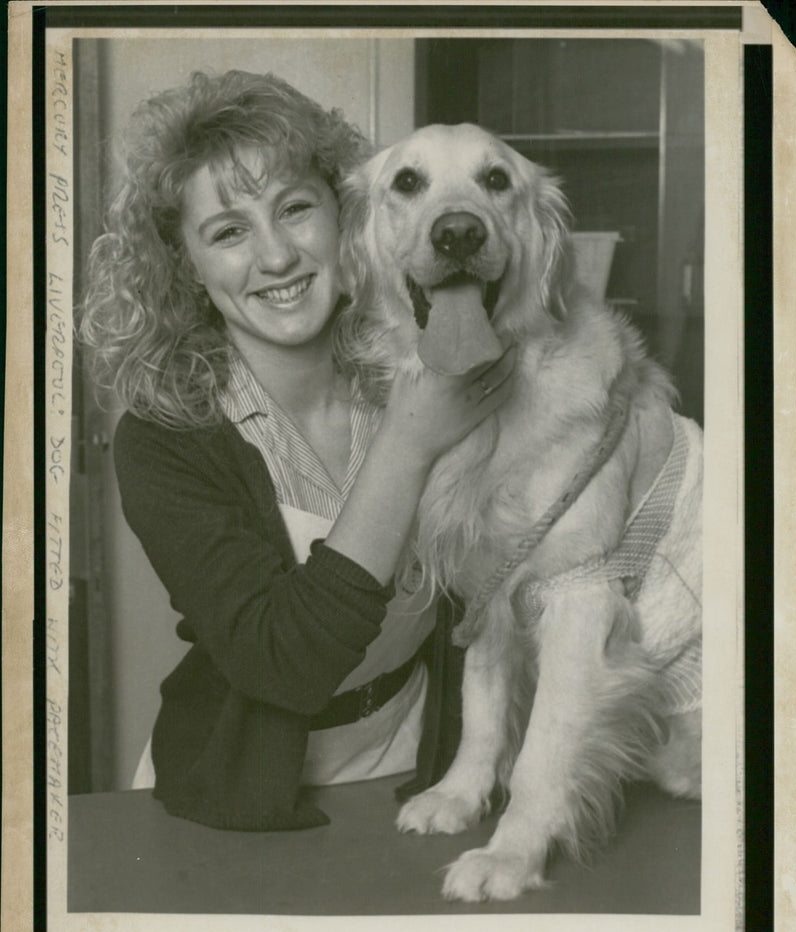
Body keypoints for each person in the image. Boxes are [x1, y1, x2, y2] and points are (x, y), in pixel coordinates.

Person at [80, 69, 515, 831]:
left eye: (295, 209)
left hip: (418, 757)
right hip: (247, 788)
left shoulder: (426, 362)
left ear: (348, 216)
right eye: (229, 232)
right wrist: (407, 442)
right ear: (186, 264)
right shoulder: (162, 439)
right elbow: (283, 662)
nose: (277, 256)